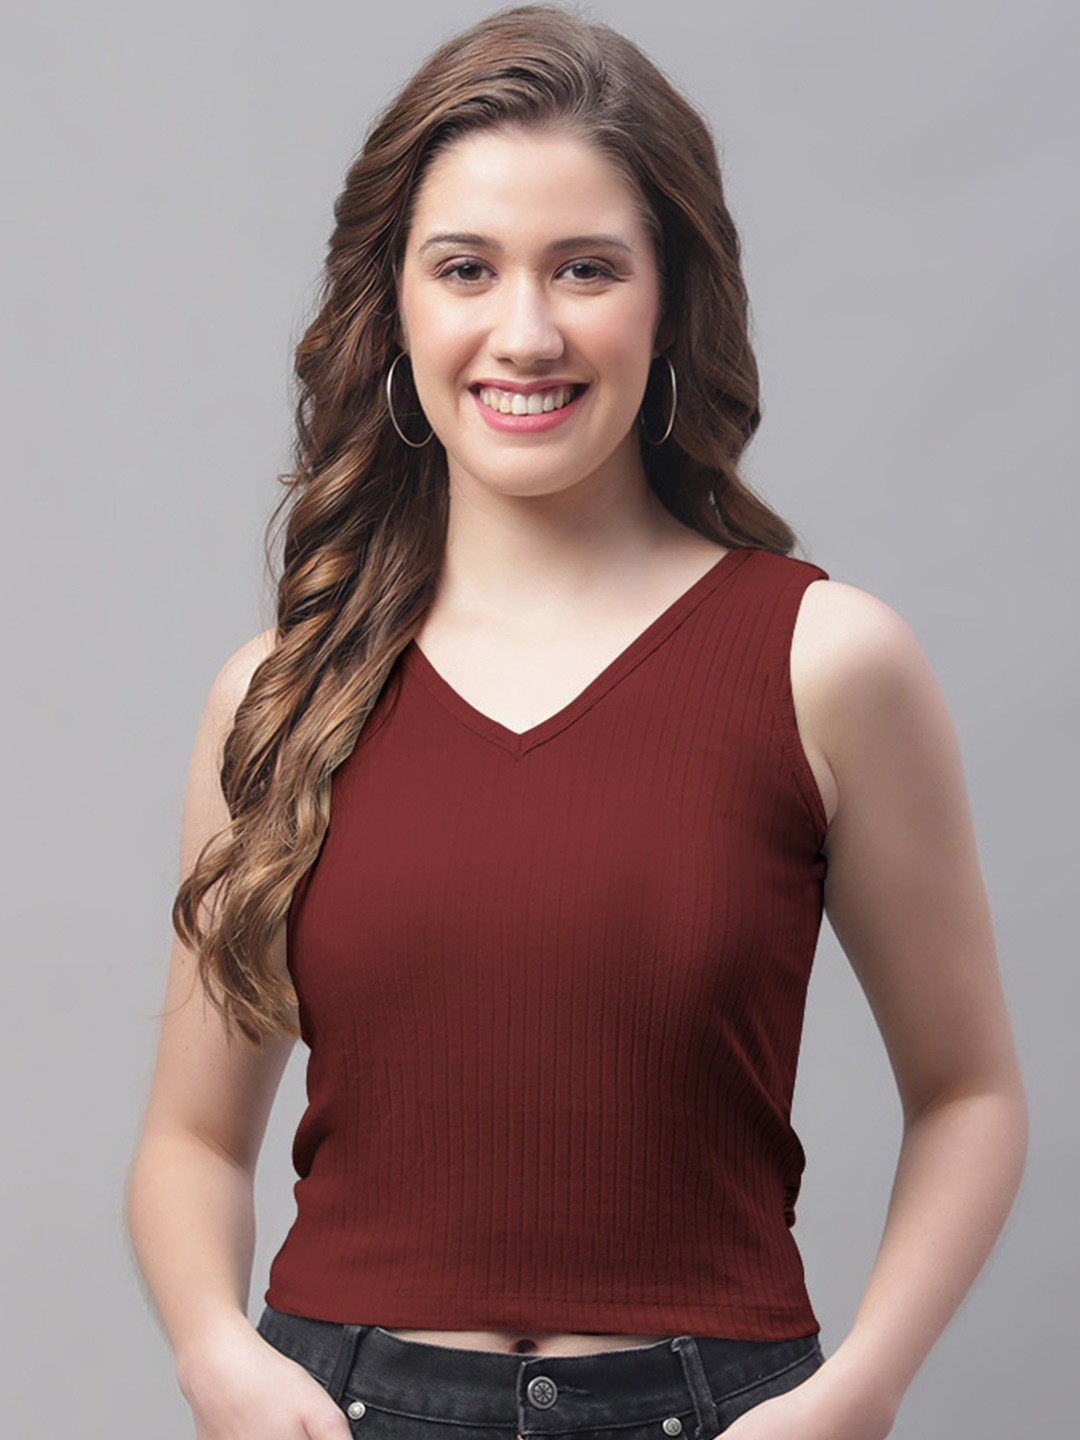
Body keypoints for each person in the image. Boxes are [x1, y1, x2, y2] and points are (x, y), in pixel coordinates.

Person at [125, 7, 1027, 1440]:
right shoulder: (281, 695)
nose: (526, 331)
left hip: (720, 1412)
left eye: (587, 268)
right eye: (466, 268)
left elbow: (971, 1091)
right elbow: (189, 1139)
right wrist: (211, 1354)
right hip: (347, 1407)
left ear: (670, 303)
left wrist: (859, 1393)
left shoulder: (827, 663)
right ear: (395, 304)